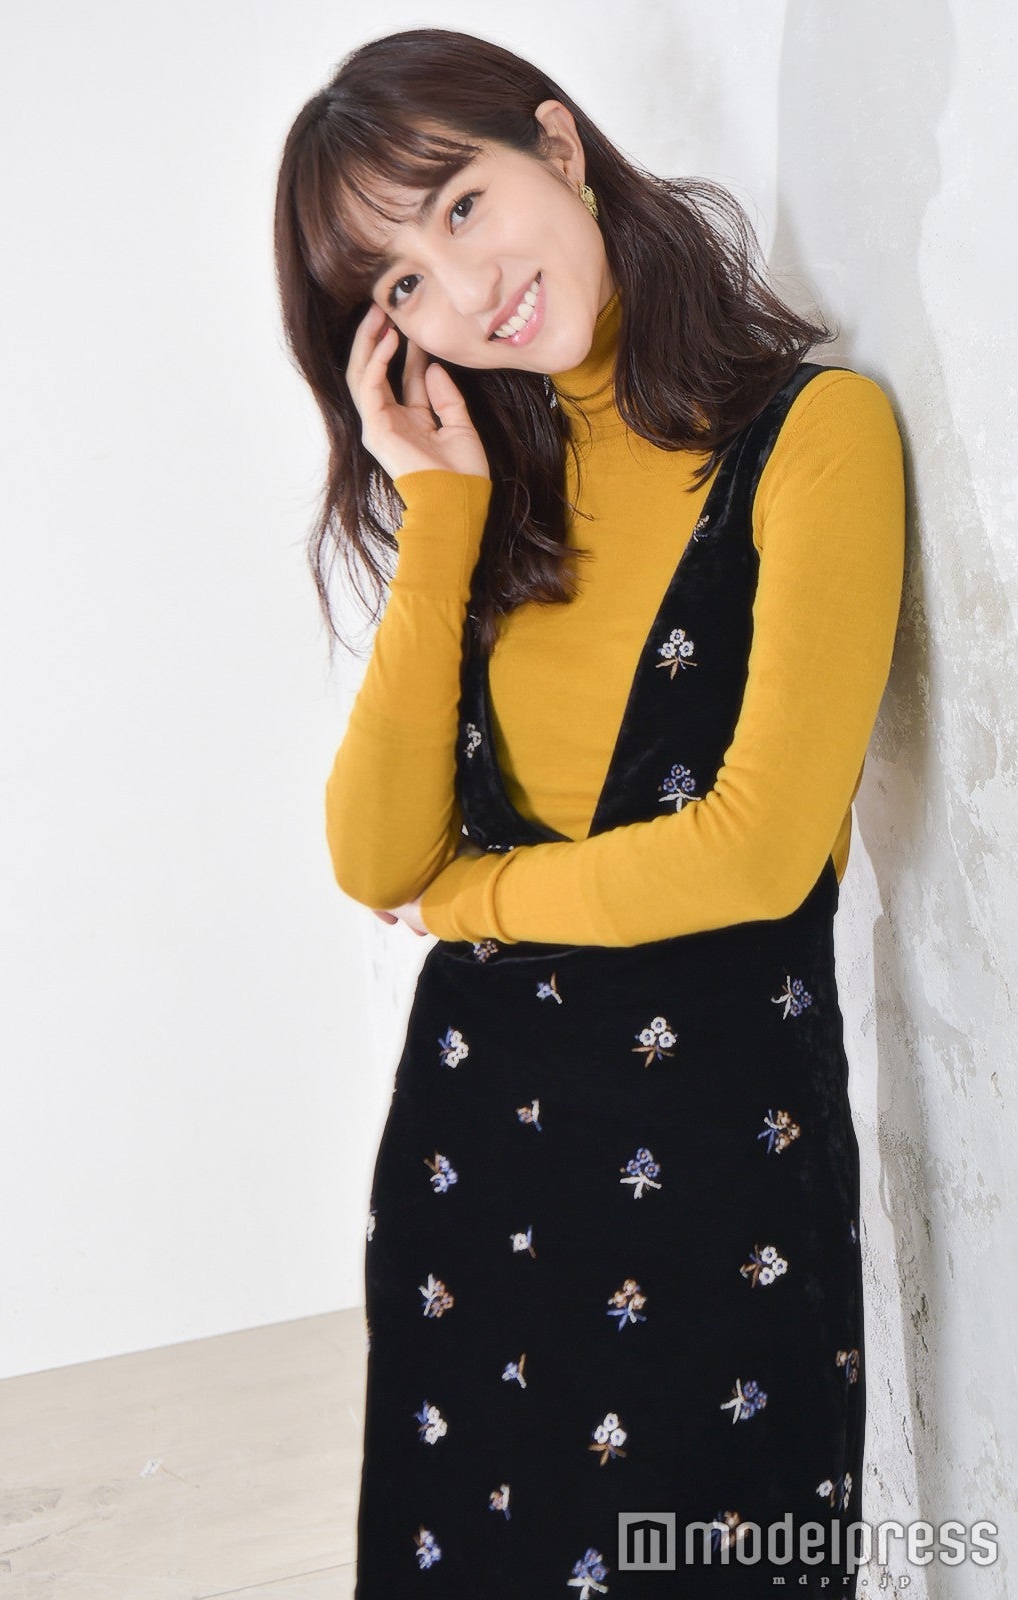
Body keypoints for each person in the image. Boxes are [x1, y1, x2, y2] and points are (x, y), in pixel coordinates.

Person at [274, 26, 904, 1597]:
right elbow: (371, 855)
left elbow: (757, 853)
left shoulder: (809, 439)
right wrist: (438, 520)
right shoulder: (494, 497)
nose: (463, 287)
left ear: (556, 147)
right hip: (476, 1151)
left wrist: (473, 901)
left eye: (461, 206)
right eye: (401, 282)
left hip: (711, 1167)